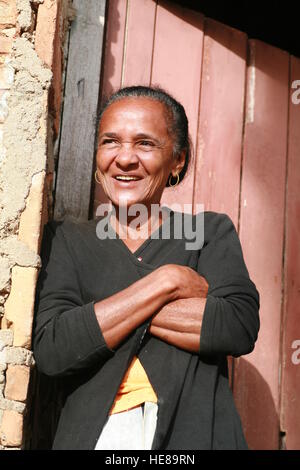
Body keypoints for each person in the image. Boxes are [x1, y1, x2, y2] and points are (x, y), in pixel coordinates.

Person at [33, 85, 260, 450]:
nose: (124, 158)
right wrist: (167, 282)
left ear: (178, 160)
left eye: (145, 144)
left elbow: (236, 325)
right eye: (110, 142)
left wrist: (99, 315)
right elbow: (55, 347)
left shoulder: (206, 233)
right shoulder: (67, 240)